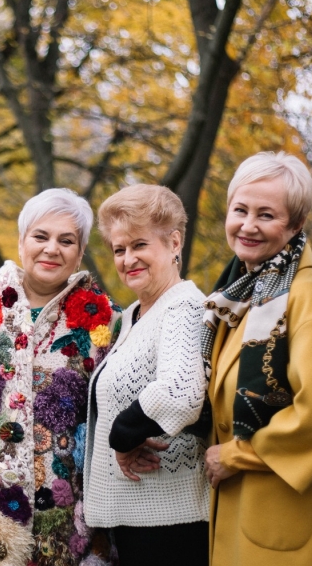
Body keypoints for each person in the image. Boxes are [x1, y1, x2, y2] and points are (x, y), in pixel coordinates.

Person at [0, 188, 119, 566]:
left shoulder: (104, 321)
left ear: (80, 252)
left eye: (66, 240)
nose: (52, 249)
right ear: (22, 241)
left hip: (65, 514)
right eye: (41, 236)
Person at [202, 152, 312, 566]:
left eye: (266, 215)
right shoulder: (243, 293)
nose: (248, 225)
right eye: (240, 210)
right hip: (241, 514)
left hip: (283, 520)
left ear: (296, 225)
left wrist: (234, 454)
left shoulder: (307, 297)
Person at [83, 184, 209, 565]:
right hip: (135, 520)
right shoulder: (135, 315)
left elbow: (181, 390)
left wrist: (124, 437)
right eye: (119, 249)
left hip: (171, 523)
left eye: (139, 245)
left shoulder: (183, 306)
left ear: (173, 243)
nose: (127, 259)